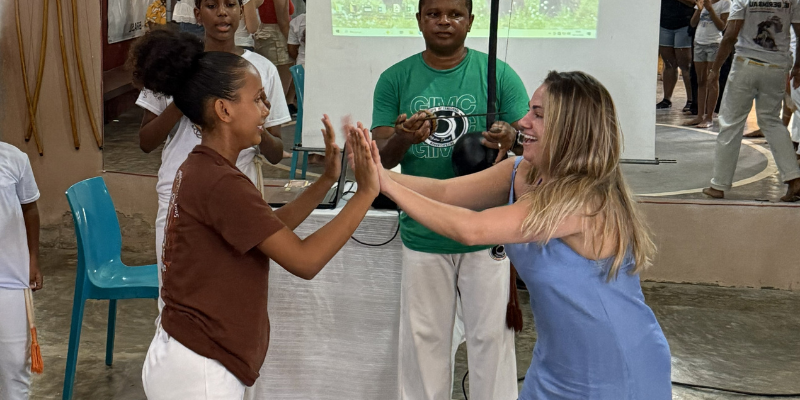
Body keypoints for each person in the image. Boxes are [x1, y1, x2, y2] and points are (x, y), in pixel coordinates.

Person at [366, 70, 672, 399]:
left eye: (538, 114)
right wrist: (375, 170)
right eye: (529, 110)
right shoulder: (521, 172)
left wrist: (382, 184)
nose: (523, 122)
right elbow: (443, 193)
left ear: (570, 128)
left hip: (615, 367)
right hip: (555, 365)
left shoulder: (584, 199)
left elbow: (471, 229)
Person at [130, 29, 380, 398]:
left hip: (197, 357)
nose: (266, 110)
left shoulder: (209, 168)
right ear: (224, 109)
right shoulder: (220, 181)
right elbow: (305, 261)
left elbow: (268, 229)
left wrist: (327, 179)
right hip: (198, 369)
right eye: (258, 99)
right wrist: (367, 192)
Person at [370, 0, 529, 397]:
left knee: (491, 339)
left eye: (455, 14)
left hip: (487, 231)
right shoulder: (395, 79)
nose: (444, 21)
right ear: (419, 19)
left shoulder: (499, 75)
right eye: (434, 13)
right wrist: (405, 137)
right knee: (425, 342)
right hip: (424, 230)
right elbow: (381, 160)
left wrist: (513, 139)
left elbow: (534, 146)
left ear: (471, 21)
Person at [134, 0, 291, 314]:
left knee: (234, 292)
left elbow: (275, 154)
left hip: (237, 195)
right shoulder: (175, 65)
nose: (222, 12)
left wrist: (256, 130)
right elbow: (145, 141)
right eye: (211, 5)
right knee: (178, 295)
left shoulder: (262, 69)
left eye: (231, 4)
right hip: (179, 194)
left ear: (240, 13)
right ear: (196, 14)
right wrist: (183, 98)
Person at [704, 0, 800, 201]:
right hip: (777, 66)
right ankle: (794, 179)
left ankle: (718, 185)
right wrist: (798, 66)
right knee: (772, 121)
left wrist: (715, 68)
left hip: (745, 65)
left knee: (731, 123)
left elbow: (730, 35)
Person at [0, 141, 43, 400]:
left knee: (16, 364)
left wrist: (33, 258)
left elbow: (30, 209)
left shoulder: (13, 158)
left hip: (10, 277)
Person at [685, 0, 730, 128]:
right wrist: (699, 9)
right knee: (701, 81)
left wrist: (710, 9)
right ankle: (699, 115)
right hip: (699, 42)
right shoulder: (701, 2)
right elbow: (693, 23)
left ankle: (709, 117)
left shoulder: (725, 3)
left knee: (712, 80)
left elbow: (722, 26)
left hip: (714, 44)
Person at [658, 0, 696, 111]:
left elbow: (696, 3)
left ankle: (691, 100)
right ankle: (666, 99)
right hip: (665, 22)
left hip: (684, 23)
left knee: (685, 65)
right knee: (669, 63)